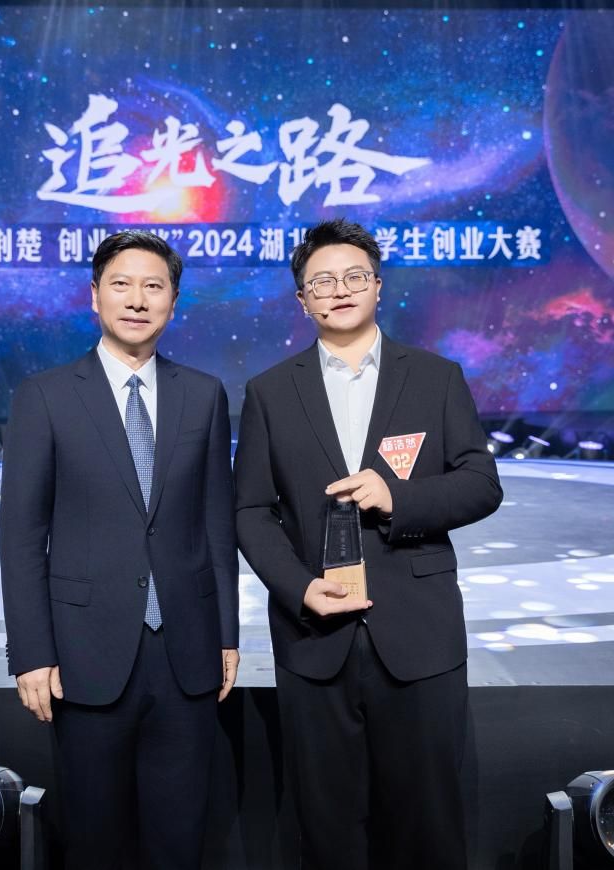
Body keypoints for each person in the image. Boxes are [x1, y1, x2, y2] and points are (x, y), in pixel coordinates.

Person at [234, 219, 502, 869]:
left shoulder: (436, 377)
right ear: (303, 300)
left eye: (355, 276)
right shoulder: (269, 392)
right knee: (325, 829)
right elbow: (249, 511)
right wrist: (299, 588)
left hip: (420, 634)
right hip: (315, 637)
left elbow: (481, 484)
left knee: (427, 825)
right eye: (322, 281)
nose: (341, 289)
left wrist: (397, 499)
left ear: (379, 286)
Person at [0, 230, 239, 870]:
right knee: (95, 843)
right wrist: (32, 651)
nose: (137, 300)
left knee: (180, 841)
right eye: (122, 285)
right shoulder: (45, 396)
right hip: (84, 654)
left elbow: (217, 524)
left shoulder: (204, 394)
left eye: (153, 286)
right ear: (95, 296)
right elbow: (21, 536)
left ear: (173, 301)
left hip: (187, 652)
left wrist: (226, 636)